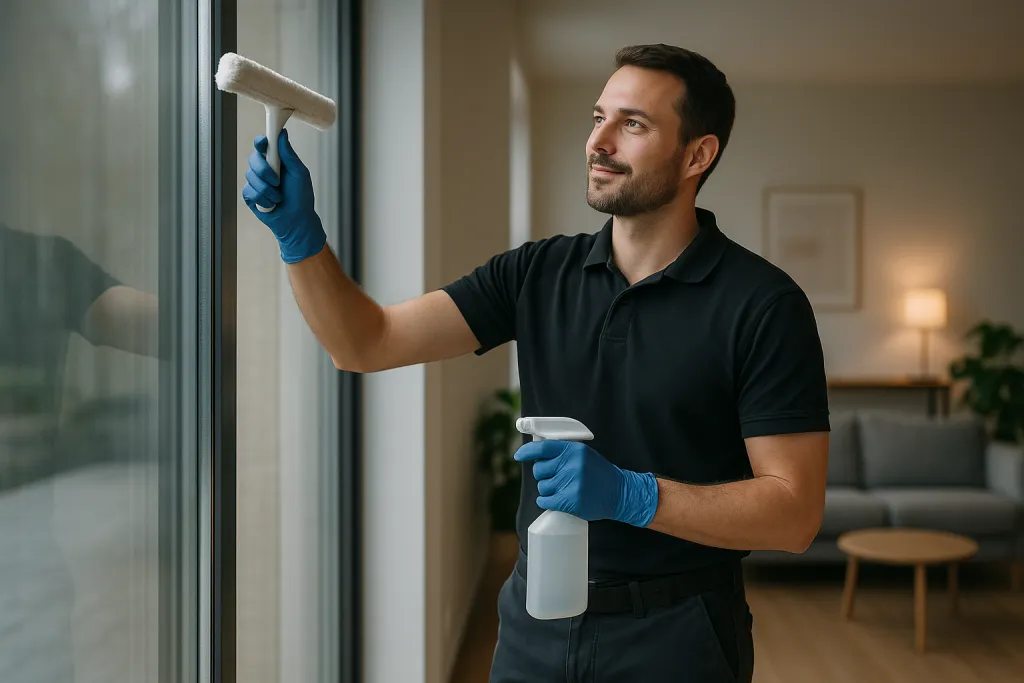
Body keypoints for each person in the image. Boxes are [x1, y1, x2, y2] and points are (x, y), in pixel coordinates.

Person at [242, 43, 830, 683]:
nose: (598, 141)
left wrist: (633, 496)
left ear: (698, 155)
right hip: (534, 624)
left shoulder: (763, 304)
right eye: (597, 117)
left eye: (632, 124)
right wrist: (300, 238)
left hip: (676, 633)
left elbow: (794, 515)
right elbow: (365, 342)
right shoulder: (536, 273)